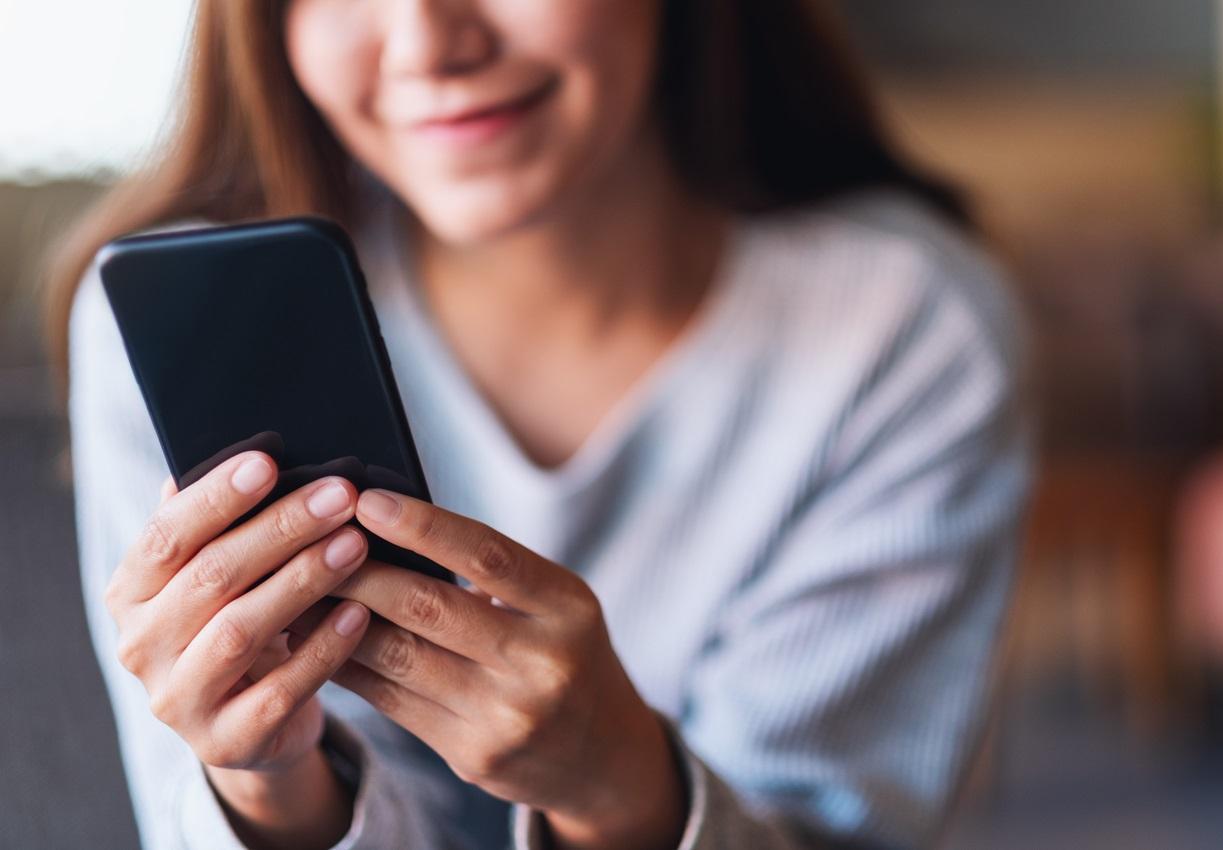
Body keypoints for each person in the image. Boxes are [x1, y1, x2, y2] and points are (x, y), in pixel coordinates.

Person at [49, 1, 1031, 848]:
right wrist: (264, 781)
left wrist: (621, 790)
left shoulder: (902, 333)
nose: (427, 42)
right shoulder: (171, 326)